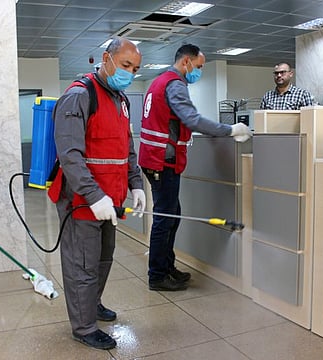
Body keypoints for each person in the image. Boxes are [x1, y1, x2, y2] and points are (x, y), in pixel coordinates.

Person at [52, 37, 146, 350]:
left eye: (135, 68)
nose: (130, 73)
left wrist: (136, 183)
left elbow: (126, 148)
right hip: (82, 201)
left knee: (104, 257)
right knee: (83, 263)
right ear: (105, 59)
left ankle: (91, 304)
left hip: (112, 200)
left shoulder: (121, 99)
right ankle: (83, 326)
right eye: (125, 65)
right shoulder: (80, 95)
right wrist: (94, 196)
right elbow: (71, 156)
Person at [138, 44, 251, 292]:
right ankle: (157, 275)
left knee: (172, 215)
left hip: (155, 159)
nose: (199, 71)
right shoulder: (174, 84)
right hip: (162, 162)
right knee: (165, 219)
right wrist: (229, 130)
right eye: (199, 67)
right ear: (186, 62)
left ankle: (167, 267)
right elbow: (192, 119)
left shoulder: (159, 81)